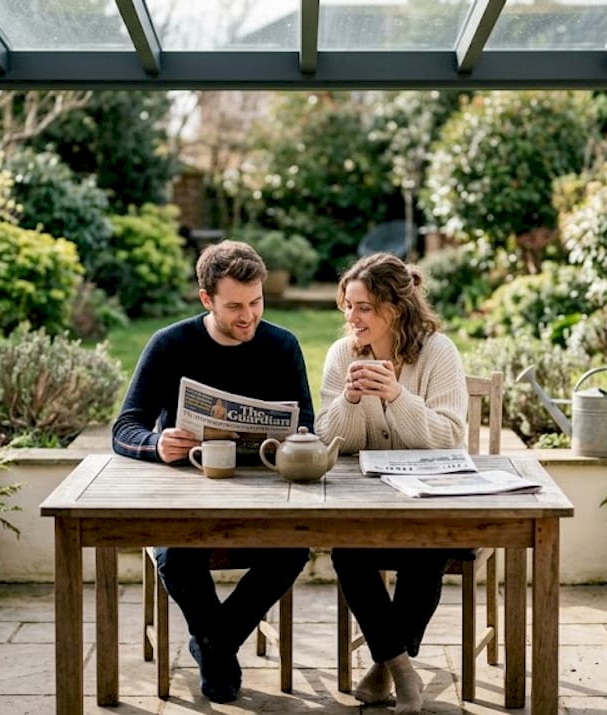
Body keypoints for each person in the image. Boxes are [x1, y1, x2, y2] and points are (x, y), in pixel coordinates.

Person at [111, 239, 315, 703]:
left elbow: (306, 422)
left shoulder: (283, 345)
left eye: (256, 302)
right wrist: (154, 443)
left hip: (262, 498)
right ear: (206, 299)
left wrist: (296, 434)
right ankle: (221, 651)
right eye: (235, 306)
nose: (248, 316)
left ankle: (213, 643)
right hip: (187, 499)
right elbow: (125, 427)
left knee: (292, 550)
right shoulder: (169, 343)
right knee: (177, 558)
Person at [314, 252, 469, 715]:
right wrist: (350, 398)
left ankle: (385, 666)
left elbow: (449, 438)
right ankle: (403, 670)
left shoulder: (437, 352)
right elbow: (329, 440)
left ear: (394, 308)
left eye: (363, 307)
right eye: (348, 305)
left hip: (430, 504)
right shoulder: (343, 355)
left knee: (430, 552)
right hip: (366, 504)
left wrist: (397, 395)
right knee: (346, 551)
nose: (351, 316)